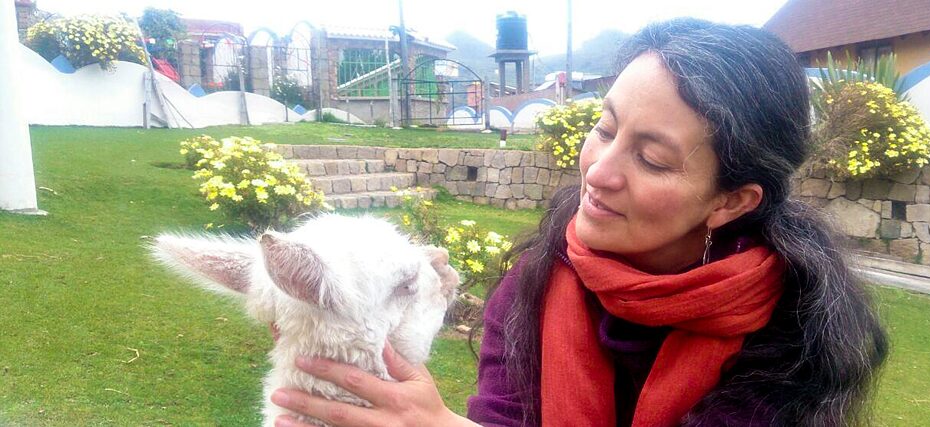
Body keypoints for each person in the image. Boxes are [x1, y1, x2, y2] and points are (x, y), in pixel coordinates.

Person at [267, 18, 888, 427]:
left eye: (652, 159)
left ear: (731, 202)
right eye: (605, 128)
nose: (599, 172)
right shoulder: (536, 284)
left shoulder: (792, 329)